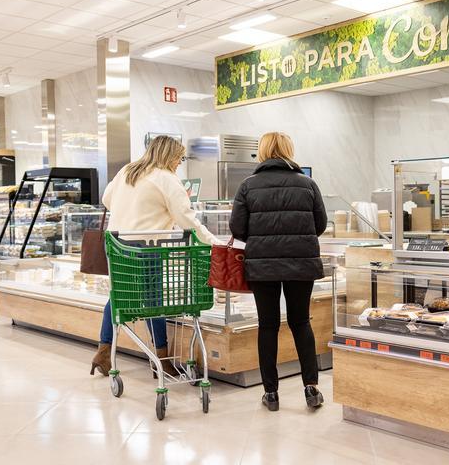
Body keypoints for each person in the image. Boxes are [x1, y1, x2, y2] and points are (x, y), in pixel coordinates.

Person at [90, 136, 218, 377]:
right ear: (170, 156)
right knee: (154, 302)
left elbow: (107, 198)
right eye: (180, 158)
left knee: (120, 296)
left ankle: (104, 351)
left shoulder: (129, 170)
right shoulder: (167, 178)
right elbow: (187, 219)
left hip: (117, 245)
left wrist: (133, 209)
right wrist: (214, 243)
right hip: (146, 248)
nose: (179, 162)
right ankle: (162, 358)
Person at [229, 132, 328, 411]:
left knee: (268, 325)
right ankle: (311, 389)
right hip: (301, 263)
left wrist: (261, 238)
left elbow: (237, 228)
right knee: (301, 322)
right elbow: (320, 224)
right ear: (289, 150)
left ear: (262, 152)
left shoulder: (248, 185)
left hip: (262, 265)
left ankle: (271, 393)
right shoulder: (307, 184)